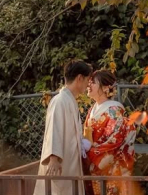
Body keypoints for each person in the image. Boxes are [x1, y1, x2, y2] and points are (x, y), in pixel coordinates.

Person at [34, 60, 93, 195]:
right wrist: (53, 158)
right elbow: (54, 129)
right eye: (87, 80)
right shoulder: (60, 101)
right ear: (79, 78)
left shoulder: (70, 100)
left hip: (69, 161)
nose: (88, 84)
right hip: (60, 163)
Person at [83, 70, 136, 195]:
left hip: (111, 167)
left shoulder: (114, 111)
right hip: (94, 165)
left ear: (106, 88)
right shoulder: (92, 109)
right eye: (89, 82)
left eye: (93, 83)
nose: (88, 85)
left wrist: (89, 153)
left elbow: (114, 141)